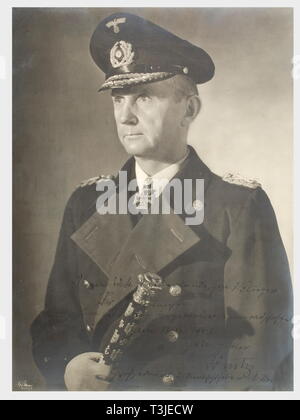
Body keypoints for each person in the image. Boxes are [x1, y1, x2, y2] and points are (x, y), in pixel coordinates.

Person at [31, 12, 293, 391]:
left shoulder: (236, 206)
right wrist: (68, 366)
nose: (126, 115)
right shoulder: (86, 203)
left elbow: (259, 352)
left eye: (145, 97)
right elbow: (57, 319)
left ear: (189, 109)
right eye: (118, 98)